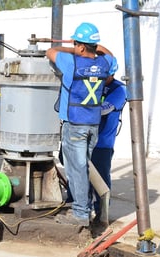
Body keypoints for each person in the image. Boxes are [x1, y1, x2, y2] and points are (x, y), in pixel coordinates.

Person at [46, 22, 114, 227]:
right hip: (93, 124)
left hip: (74, 124)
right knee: (82, 167)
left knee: (77, 169)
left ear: (81, 47)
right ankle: (85, 207)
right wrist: (86, 46)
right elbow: (106, 52)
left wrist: (69, 46)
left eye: (77, 44)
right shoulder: (105, 63)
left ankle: (81, 213)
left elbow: (51, 51)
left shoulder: (70, 62)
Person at [91, 57, 127, 223]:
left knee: (101, 178)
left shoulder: (119, 89)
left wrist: (81, 109)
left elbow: (105, 109)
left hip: (102, 142)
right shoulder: (92, 84)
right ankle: (74, 206)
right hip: (85, 139)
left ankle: (102, 214)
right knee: (77, 176)